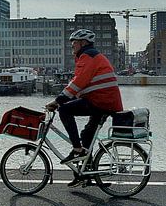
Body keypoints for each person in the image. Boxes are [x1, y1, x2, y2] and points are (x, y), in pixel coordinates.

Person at [45, 29, 123, 187]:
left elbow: (79, 81)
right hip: (105, 101)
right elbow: (81, 84)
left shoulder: (88, 56)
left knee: (65, 110)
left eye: (74, 43)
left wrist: (58, 101)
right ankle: (84, 175)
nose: (72, 46)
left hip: (101, 101)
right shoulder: (90, 56)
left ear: (83, 43)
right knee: (87, 135)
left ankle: (76, 149)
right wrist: (69, 96)